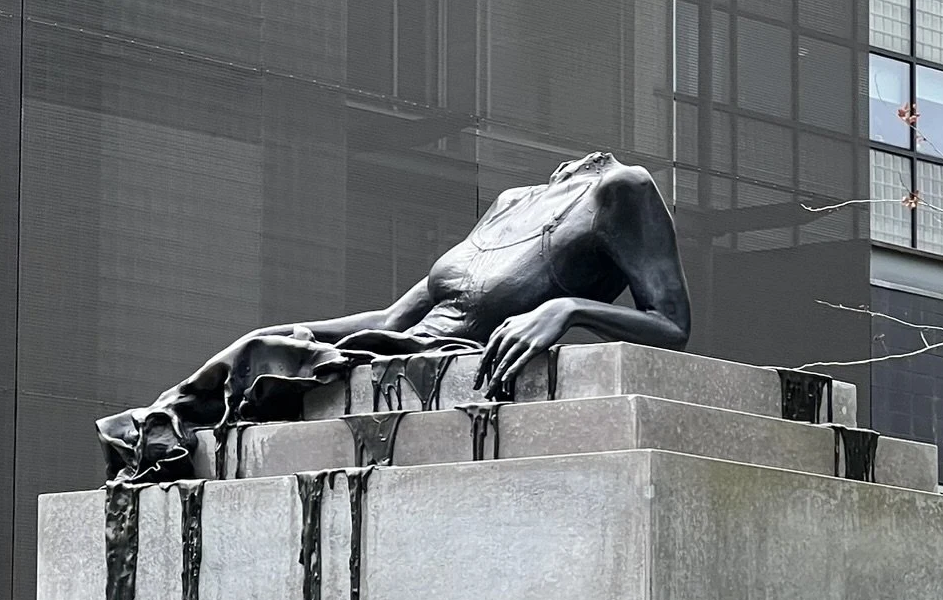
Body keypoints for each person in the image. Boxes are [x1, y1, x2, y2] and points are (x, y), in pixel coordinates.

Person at [98, 149, 691, 485]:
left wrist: (568, 309)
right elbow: (394, 316)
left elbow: (671, 326)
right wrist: (287, 333)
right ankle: (159, 438)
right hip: (404, 351)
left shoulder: (621, 191)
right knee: (261, 348)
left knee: (263, 368)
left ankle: (162, 442)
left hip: (452, 367)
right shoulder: (512, 202)